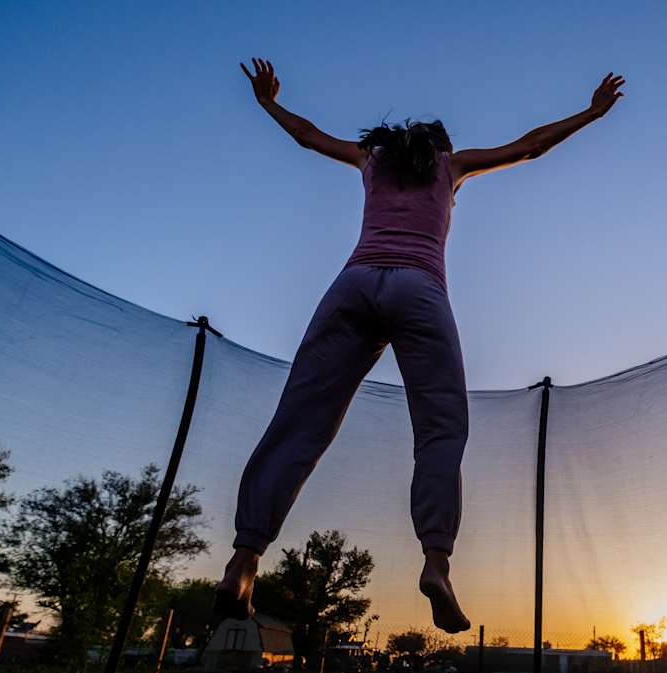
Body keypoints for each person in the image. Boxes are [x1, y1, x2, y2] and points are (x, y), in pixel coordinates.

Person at [214, 58, 625, 633]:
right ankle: (436, 563)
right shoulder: (451, 165)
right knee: (440, 427)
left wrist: (267, 103)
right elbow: (530, 146)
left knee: (302, 419)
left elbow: (307, 136)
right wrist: (591, 113)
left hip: (352, 285)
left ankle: (244, 559)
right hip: (420, 290)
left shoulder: (371, 159)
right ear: (441, 148)